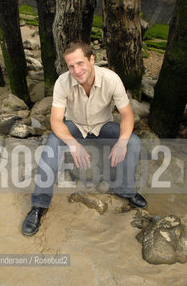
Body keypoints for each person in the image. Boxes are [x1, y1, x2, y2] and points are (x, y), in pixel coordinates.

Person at [22, 41, 147, 236]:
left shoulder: (111, 79)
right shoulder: (63, 82)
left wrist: (122, 141)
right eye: (71, 66)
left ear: (92, 59)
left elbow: (127, 114)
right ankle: (39, 205)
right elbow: (55, 120)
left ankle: (124, 189)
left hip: (103, 126)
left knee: (133, 141)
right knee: (53, 141)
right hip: (75, 126)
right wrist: (72, 143)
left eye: (80, 63)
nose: (76, 70)